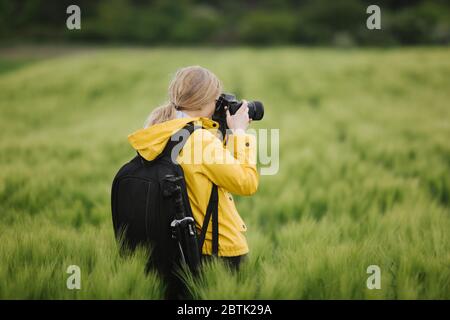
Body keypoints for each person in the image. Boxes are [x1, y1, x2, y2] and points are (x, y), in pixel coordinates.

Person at [127, 65, 258, 273]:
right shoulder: (200, 140)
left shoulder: (161, 134)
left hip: (182, 248)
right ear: (207, 101)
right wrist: (240, 133)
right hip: (219, 249)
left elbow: (207, 173)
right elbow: (246, 182)